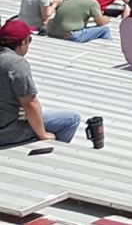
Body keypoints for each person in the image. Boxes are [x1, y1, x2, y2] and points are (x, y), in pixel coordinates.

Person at [0, 20, 101, 151]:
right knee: (71, 118)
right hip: (8, 130)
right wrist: (43, 134)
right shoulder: (14, 63)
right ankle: (50, 152)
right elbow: (29, 103)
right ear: (24, 41)